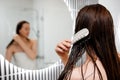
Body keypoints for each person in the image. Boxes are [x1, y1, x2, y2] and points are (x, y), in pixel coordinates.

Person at [55, 4, 120, 80]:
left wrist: (65, 58)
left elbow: (76, 75)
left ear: (79, 29)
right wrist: (64, 57)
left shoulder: (74, 76)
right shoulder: (117, 63)